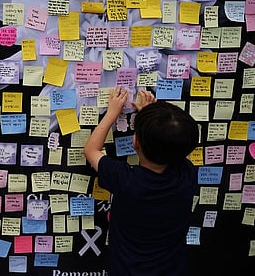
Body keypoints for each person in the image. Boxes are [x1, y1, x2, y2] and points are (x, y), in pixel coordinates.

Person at [84, 87, 199, 276]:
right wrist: (149, 119)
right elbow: (170, 146)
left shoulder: (125, 179)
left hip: (126, 270)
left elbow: (91, 150)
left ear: (134, 141)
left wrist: (112, 112)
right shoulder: (186, 174)